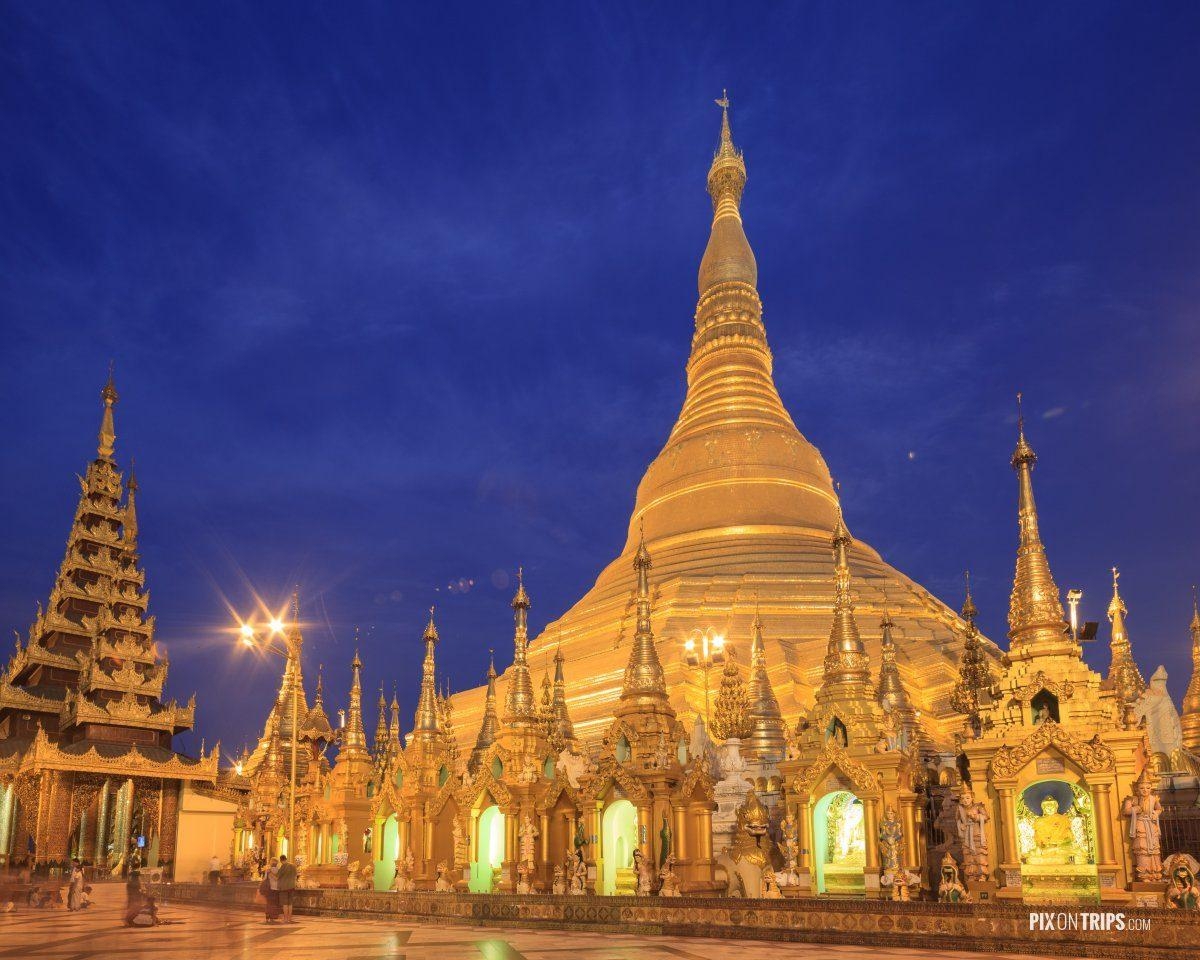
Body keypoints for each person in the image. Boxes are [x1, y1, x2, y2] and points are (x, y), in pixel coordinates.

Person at [275, 854, 298, 923]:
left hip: (284, 887)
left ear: (281, 860)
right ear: (286, 858)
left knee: (285, 904)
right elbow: (295, 875)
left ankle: (285, 919)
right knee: (290, 903)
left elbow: (277, 876)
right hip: (291, 886)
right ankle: (290, 918)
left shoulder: (283, 866)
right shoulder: (293, 866)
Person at [260, 857, 281, 923]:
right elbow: (278, 879)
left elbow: (264, 879)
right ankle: (273, 917)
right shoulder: (278, 870)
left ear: (271, 863)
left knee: (269, 903)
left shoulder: (268, 870)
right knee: (275, 903)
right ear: (277, 863)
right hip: (276, 889)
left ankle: (267, 916)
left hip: (269, 889)